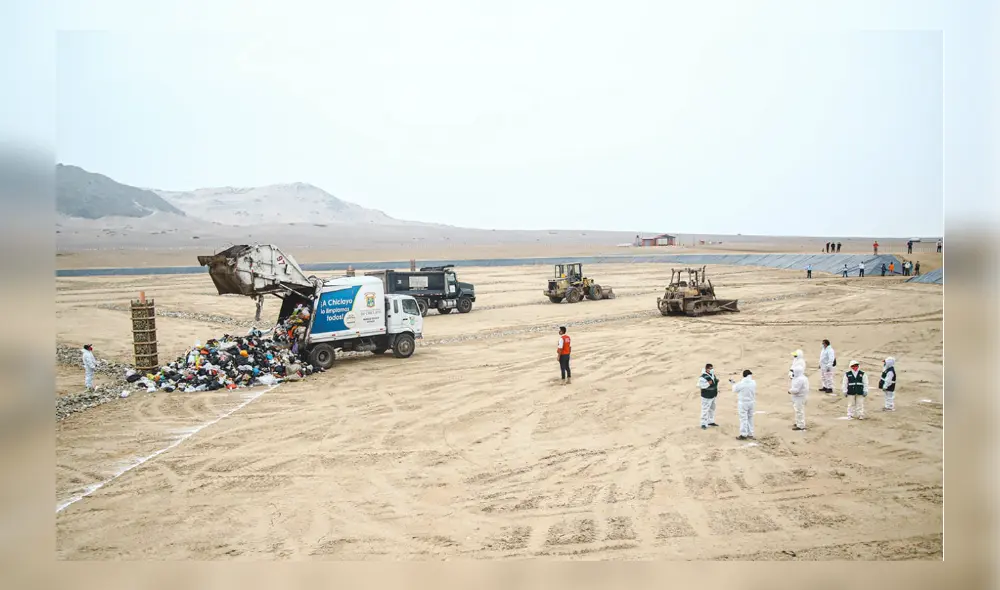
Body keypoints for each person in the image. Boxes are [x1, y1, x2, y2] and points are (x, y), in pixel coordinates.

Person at [729, 370, 756, 440]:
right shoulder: (753, 382)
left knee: (743, 419)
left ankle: (743, 434)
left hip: (743, 403)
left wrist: (733, 383)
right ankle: (750, 434)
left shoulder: (741, 383)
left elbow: (735, 389)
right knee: (750, 418)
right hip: (751, 402)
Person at [697, 363, 720, 430]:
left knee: (712, 408)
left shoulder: (712, 375)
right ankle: (703, 423)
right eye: (710, 368)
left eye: (712, 368)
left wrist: (716, 381)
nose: (712, 369)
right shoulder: (703, 377)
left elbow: (714, 383)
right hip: (706, 396)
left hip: (713, 395)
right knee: (705, 409)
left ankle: (710, 421)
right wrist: (708, 383)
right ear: (707, 369)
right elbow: (700, 385)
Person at [789, 365, 809, 430]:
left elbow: (796, 390)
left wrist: (790, 391)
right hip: (800, 397)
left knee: (799, 411)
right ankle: (798, 422)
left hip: (799, 397)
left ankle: (801, 425)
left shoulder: (800, 379)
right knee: (798, 410)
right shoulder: (802, 377)